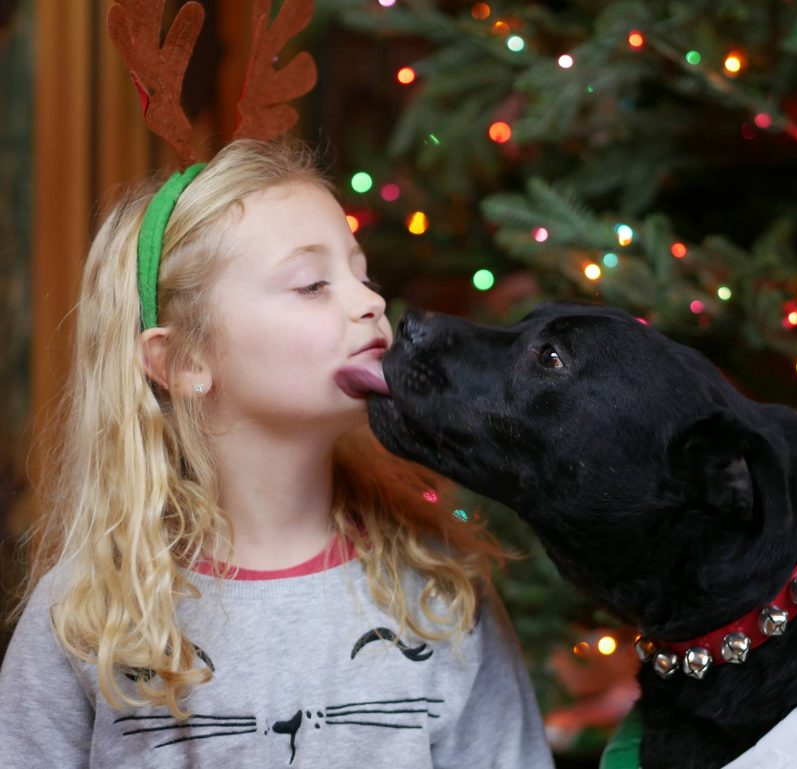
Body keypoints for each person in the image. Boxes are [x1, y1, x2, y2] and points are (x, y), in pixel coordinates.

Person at [0, 139, 556, 769]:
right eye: (313, 284)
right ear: (184, 361)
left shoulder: (444, 590)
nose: (371, 302)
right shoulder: (81, 615)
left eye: (361, 273)